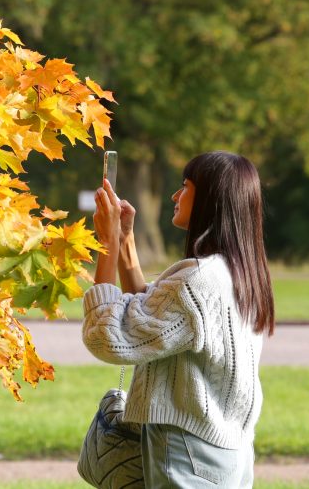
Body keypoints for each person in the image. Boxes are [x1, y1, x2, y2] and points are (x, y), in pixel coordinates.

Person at [83, 151, 275, 488]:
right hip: (229, 451)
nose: (175, 195)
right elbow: (155, 320)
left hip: (188, 453)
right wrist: (126, 241)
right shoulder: (238, 273)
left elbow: (109, 338)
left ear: (211, 200)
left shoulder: (196, 280)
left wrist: (107, 243)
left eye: (185, 186)